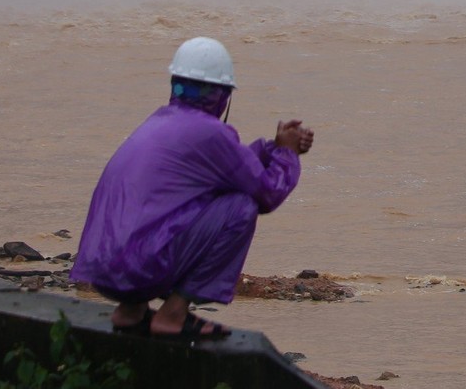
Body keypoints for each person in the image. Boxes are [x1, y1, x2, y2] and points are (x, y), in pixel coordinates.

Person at [69, 37, 315, 342]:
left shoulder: (159, 120)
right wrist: (287, 155)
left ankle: (130, 311)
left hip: (104, 273)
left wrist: (272, 148)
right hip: (138, 272)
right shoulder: (211, 133)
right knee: (241, 206)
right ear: (223, 96)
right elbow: (267, 193)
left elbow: (231, 166)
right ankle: (173, 315)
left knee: (188, 204)